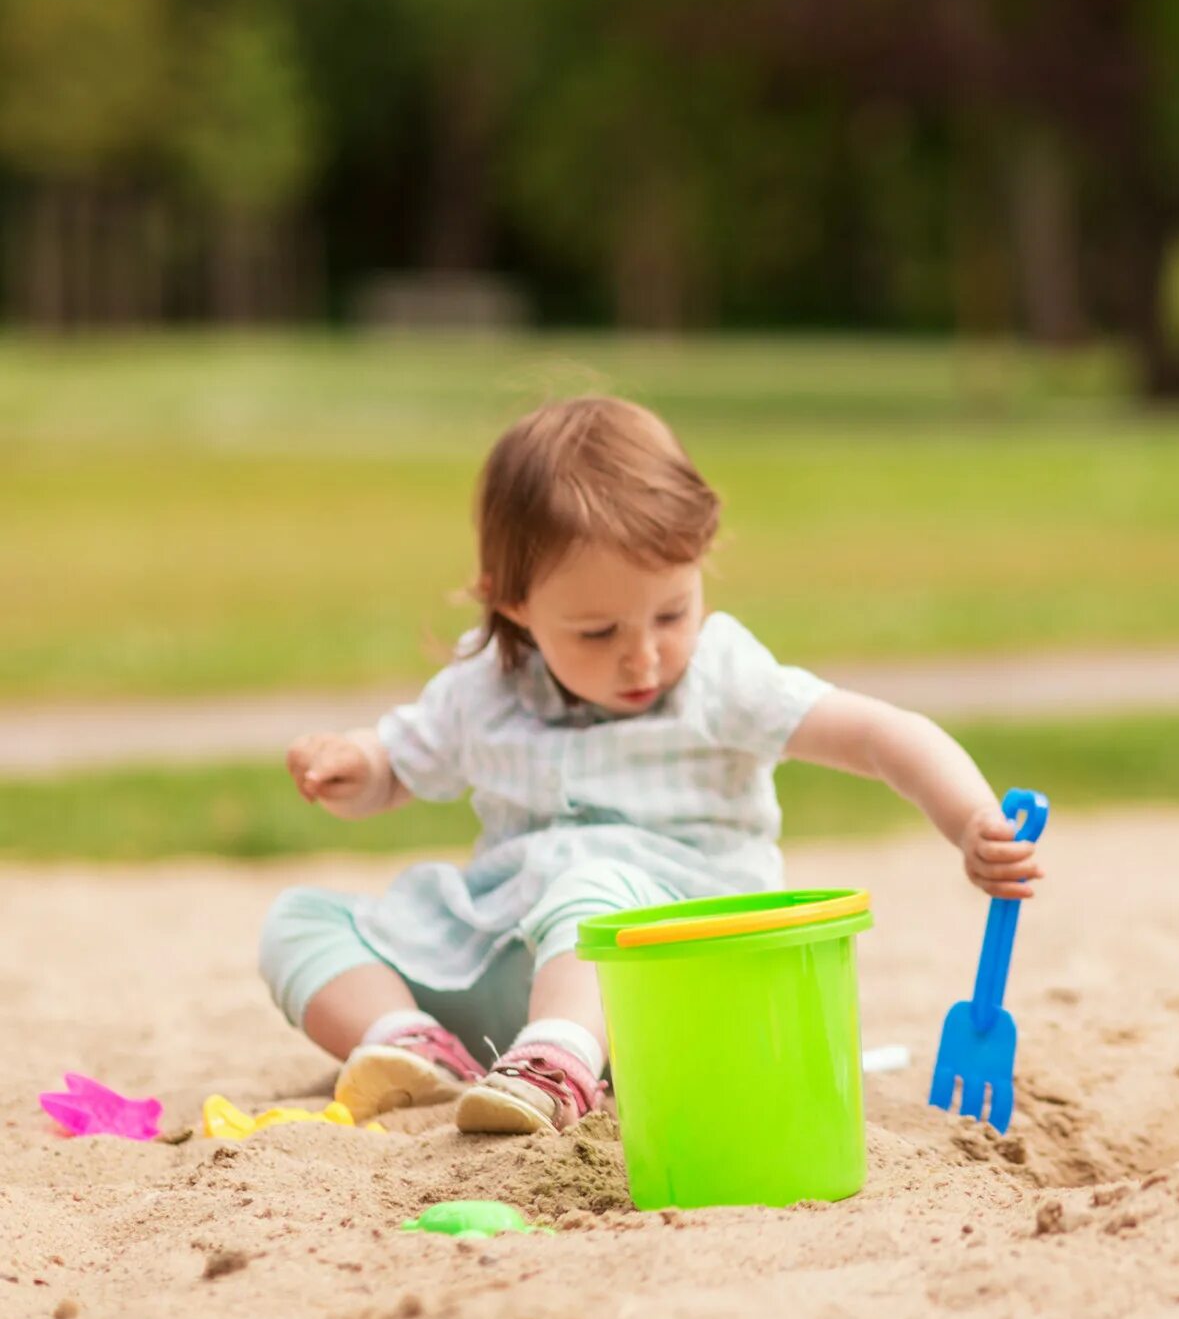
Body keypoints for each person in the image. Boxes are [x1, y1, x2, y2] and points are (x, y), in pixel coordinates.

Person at [259, 395, 1041, 1133]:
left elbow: (878, 734)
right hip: (516, 962)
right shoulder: (485, 688)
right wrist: (354, 765)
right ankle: (420, 1046)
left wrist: (970, 817)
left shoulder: (720, 680)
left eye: (672, 613)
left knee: (590, 882)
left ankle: (561, 1065)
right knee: (300, 921)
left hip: (680, 973)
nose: (644, 655)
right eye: (597, 632)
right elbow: (397, 767)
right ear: (513, 605)